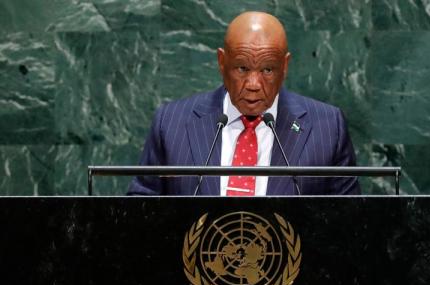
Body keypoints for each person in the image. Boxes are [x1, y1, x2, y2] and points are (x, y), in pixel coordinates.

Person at [127, 11, 360, 196]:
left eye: (267, 70)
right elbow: (142, 211)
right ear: (221, 62)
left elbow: (348, 222)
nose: (253, 84)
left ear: (285, 66)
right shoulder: (171, 124)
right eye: (242, 68)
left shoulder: (328, 127)